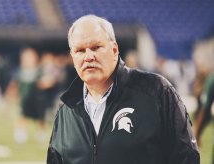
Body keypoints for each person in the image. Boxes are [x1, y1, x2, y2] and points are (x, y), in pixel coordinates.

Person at [47, 15, 199, 164]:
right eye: (80, 50)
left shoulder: (156, 91)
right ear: (73, 57)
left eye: (96, 47)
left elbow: (186, 157)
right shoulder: (66, 110)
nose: (88, 57)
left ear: (114, 50)